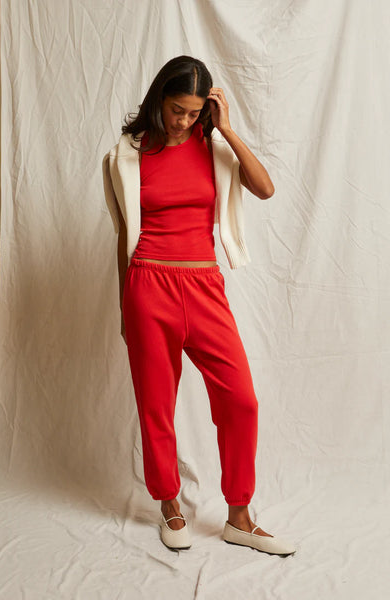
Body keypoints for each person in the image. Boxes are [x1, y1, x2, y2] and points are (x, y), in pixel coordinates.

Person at [102, 55, 296, 555]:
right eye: (176, 110)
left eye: (193, 113)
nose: (183, 121)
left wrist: (225, 128)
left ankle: (239, 517)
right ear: (159, 101)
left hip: (204, 285)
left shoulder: (213, 148)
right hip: (148, 286)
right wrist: (124, 306)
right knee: (156, 405)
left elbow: (265, 188)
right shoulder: (127, 155)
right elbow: (124, 233)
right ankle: (169, 503)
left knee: (241, 400)